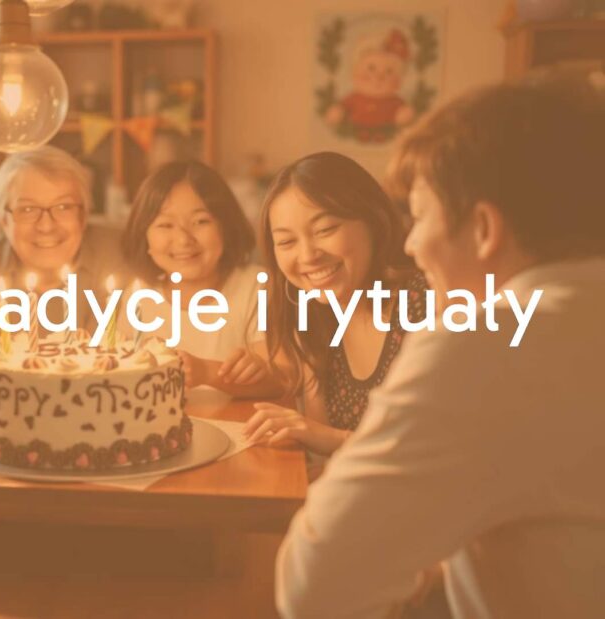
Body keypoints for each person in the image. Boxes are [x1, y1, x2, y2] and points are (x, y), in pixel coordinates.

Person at [276, 82, 605, 619]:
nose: (409, 244)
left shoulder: (486, 344)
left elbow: (314, 588)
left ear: (482, 230)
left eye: (421, 216)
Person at [238, 151, 425, 457]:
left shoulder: (424, 302)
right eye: (287, 242)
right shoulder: (315, 315)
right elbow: (322, 451)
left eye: (325, 230)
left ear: (372, 220)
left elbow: (435, 450)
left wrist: (322, 436)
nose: (308, 255)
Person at [121, 160, 281, 398]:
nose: (184, 239)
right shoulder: (138, 295)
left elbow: (281, 380)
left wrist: (207, 372)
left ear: (226, 226)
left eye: (200, 221)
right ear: (144, 238)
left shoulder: (258, 288)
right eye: (165, 225)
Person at [0, 145, 126, 354]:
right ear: (3, 220)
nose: (46, 226)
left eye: (63, 207)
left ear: (83, 216)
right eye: (27, 209)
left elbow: (106, 362)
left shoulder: (116, 253)